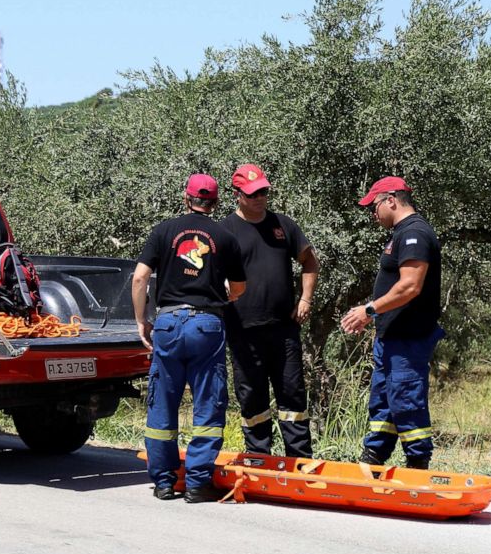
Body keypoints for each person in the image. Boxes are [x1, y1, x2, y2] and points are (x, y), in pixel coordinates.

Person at [132, 174, 246, 503]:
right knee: (208, 403)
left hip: (167, 323)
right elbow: (239, 288)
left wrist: (142, 320)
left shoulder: (164, 230)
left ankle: (164, 481)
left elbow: (140, 278)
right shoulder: (225, 236)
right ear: (215, 201)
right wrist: (223, 296)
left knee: (163, 401)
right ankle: (197, 483)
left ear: (187, 198)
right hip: (207, 325)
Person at [340, 176, 444, 470]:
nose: (372, 213)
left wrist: (369, 310)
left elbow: (410, 286)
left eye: (374, 206)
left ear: (391, 200)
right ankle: (372, 460)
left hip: (409, 338)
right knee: (383, 401)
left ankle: (417, 463)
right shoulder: (400, 234)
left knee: (405, 400)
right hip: (391, 337)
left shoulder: (416, 234)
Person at [221, 164, 320, 458]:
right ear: (237, 194)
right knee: (252, 397)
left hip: (283, 329)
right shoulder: (225, 231)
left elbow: (310, 261)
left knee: (292, 394)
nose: (259, 198)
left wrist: (305, 300)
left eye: (263, 191)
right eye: (252, 194)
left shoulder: (284, 225)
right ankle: (258, 457)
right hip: (243, 330)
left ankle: (299, 460)